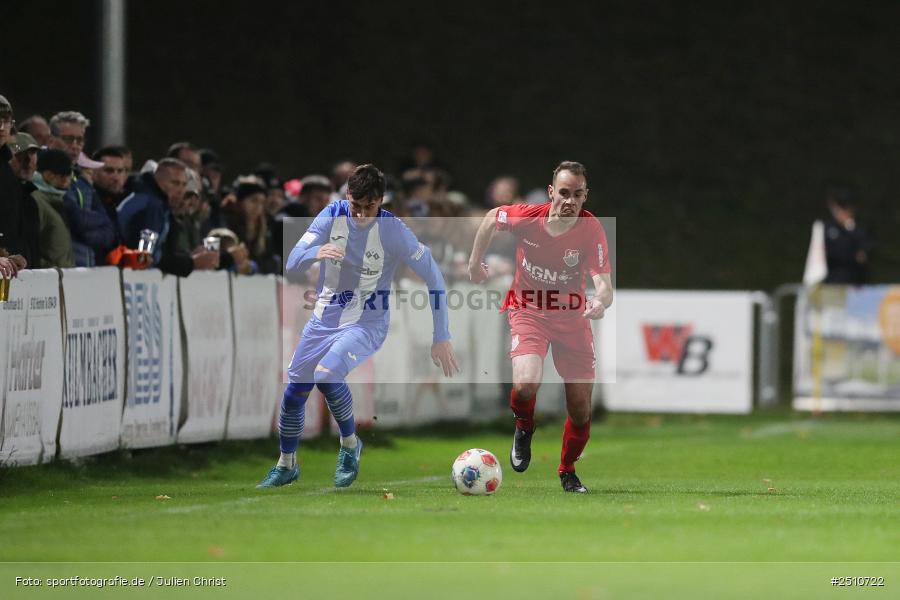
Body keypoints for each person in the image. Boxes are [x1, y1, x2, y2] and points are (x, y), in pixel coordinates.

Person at [257, 164, 459, 489]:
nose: (362, 214)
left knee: (325, 376)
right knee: (294, 392)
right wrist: (315, 251)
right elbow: (293, 259)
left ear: (381, 201)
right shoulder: (331, 214)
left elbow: (433, 276)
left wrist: (442, 335)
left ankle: (350, 445)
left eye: (370, 207)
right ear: (347, 196)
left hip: (367, 323)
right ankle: (286, 464)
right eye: (356, 206)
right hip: (323, 318)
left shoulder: (393, 230)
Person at [467, 161, 613, 494]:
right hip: (528, 310)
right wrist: (475, 262)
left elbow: (604, 284)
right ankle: (524, 425)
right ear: (551, 193)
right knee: (525, 383)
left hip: (573, 318)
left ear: (585, 195)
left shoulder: (591, 230)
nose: (570, 201)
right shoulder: (528, 218)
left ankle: (568, 470)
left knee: (579, 409)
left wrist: (600, 301)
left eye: (577, 194)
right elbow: (491, 217)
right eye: (564, 193)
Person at [48, 111, 115, 266]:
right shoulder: (47, 176)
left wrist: (86, 233)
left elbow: (109, 227)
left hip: (84, 269)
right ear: (51, 141)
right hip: (58, 270)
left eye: (80, 140)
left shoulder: (81, 180)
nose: (75, 146)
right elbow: (77, 220)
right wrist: (92, 226)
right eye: (68, 139)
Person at [28, 149, 76, 268]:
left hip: (60, 277)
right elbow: (31, 241)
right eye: (61, 175)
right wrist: (46, 267)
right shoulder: (36, 200)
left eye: (69, 175)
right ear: (47, 174)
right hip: (46, 278)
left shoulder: (59, 200)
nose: (66, 180)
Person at [823, 187, 874, 285]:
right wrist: (853, 256)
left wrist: (850, 228)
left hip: (858, 284)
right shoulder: (827, 228)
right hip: (833, 283)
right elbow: (829, 252)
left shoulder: (860, 228)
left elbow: (865, 252)